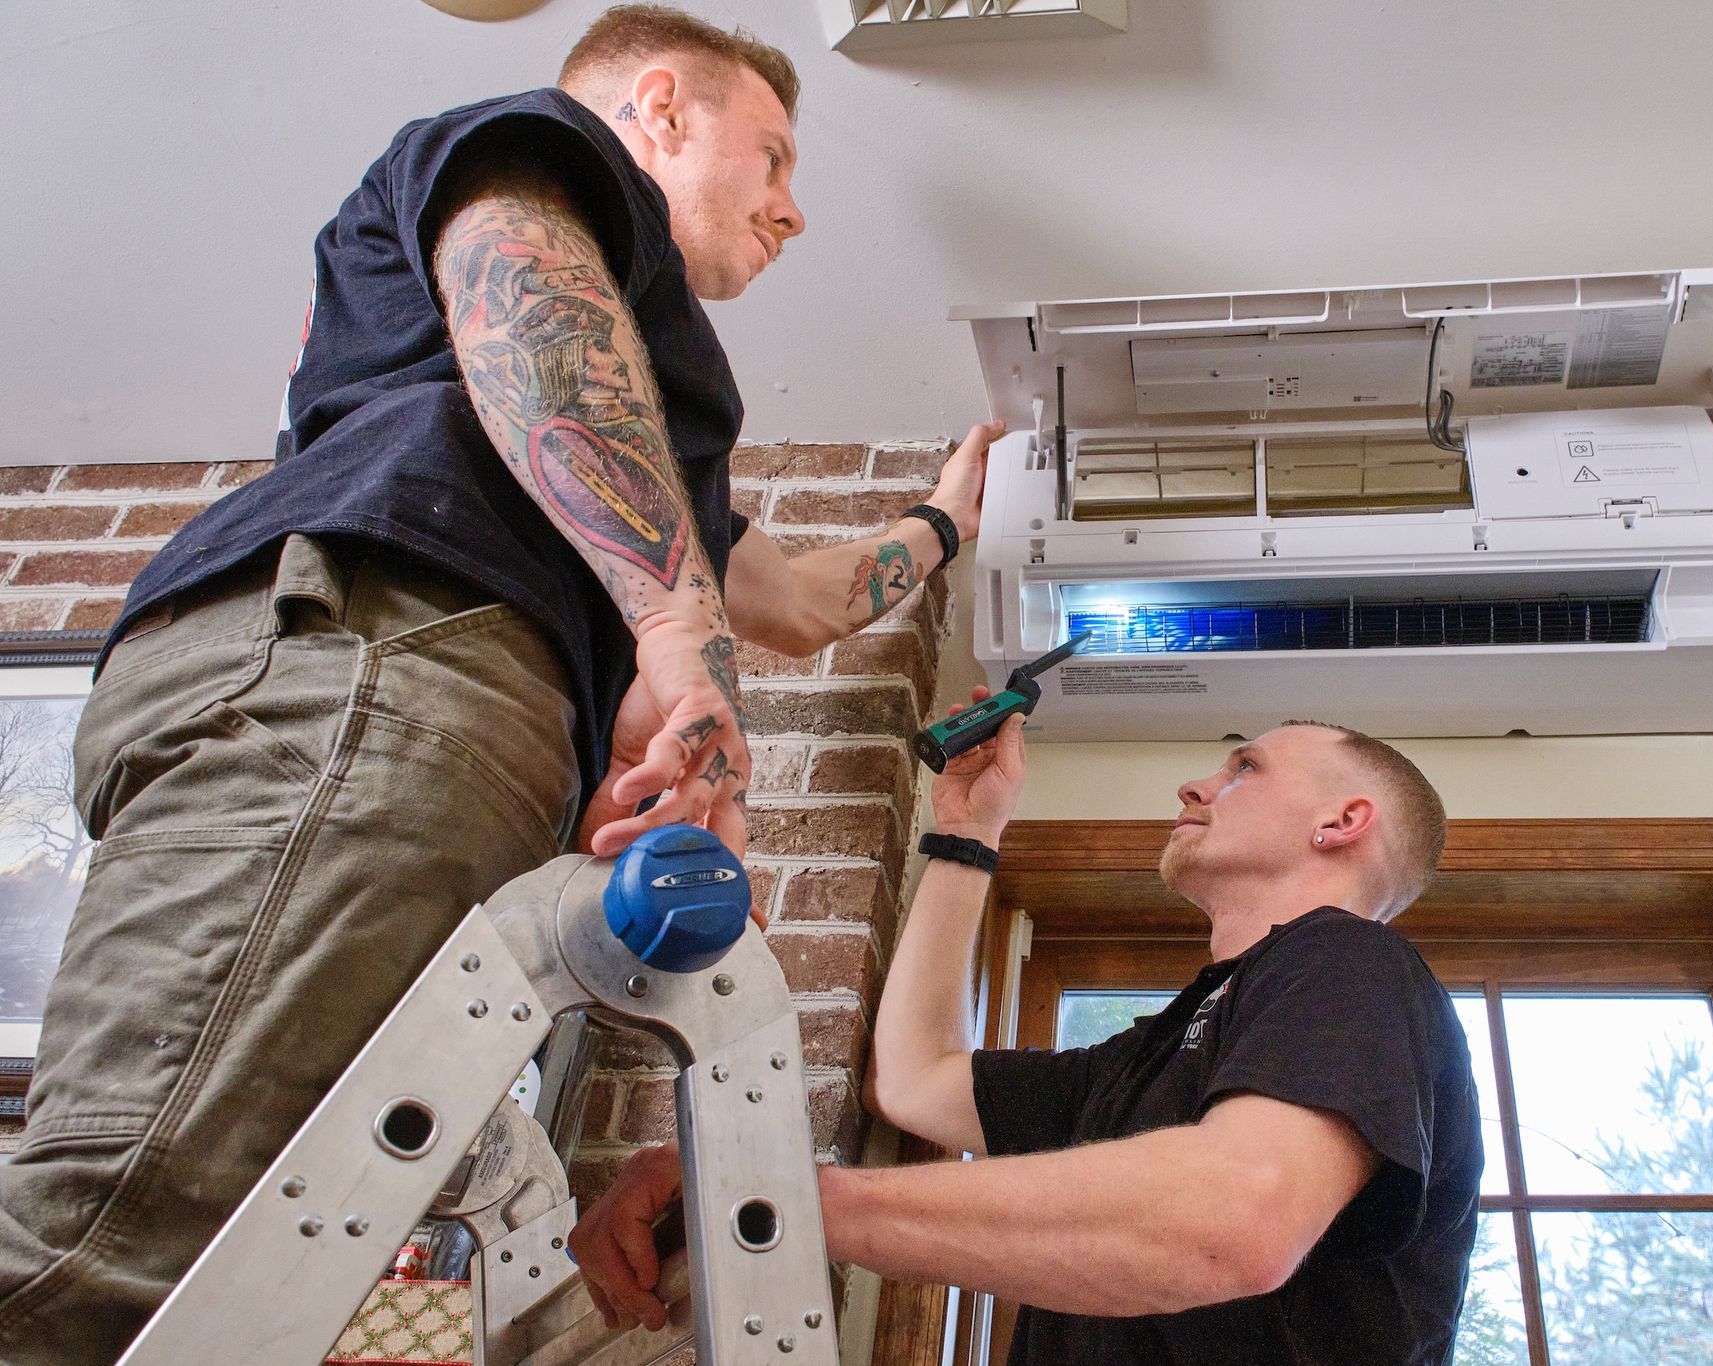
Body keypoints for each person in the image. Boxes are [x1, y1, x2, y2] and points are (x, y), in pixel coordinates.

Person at [0, 7, 999, 1362]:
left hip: (434, 720)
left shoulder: (649, 457)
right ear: (659, 107)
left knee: (369, 1285)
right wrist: (674, 642)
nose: (793, 212)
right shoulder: (543, 166)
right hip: (374, 662)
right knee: (123, 1254)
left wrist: (944, 521)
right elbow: (521, 287)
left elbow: (807, 602)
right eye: (772, 159)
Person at [573, 702, 1484, 1361]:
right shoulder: (1155, 1055)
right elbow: (918, 1081)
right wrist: (968, 835)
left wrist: (780, 1199)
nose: (1199, 782)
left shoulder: (1350, 963)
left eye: (1246, 766)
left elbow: (1234, 1218)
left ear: (1342, 822)